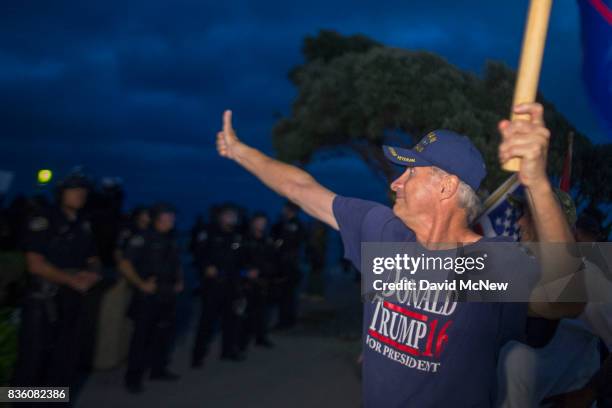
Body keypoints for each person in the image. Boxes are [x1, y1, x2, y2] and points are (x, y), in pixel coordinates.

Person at [214, 103, 581, 406]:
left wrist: (537, 184)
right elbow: (300, 187)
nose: (395, 183)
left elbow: (566, 300)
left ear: (446, 186)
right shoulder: (383, 231)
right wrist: (240, 152)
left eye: (410, 173)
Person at [12, 172, 101, 389]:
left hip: (72, 300)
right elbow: (35, 264)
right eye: (74, 190)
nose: (80, 194)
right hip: (43, 301)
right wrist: (72, 280)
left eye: (83, 190)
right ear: (61, 193)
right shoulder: (43, 219)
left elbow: (94, 258)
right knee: (32, 362)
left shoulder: (84, 224)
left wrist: (92, 274)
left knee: (63, 361)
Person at [120, 203, 183, 393]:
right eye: (165, 219)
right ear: (155, 219)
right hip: (148, 294)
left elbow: (176, 262)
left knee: (163, 333)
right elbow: (125, 264)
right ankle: (133, 378)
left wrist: (180, 280)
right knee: (141, 337)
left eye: (171, 219)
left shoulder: (172, 238)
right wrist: (140, 284)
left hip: (168, 292)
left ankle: (158, 370)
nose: (169, 222)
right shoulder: (142, 237)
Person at [192, 205, 246, 367]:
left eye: (234, 215)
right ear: (220, 216)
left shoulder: (237, 235)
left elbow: (241, 259)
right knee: (207, 322)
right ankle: (197, 356)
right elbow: (198, 254)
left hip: (232, 283)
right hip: (213, 285)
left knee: (231, 320)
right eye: (229, 215)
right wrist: (206, 267)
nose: (233, 218)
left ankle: (228, 351)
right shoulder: (208, 232)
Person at [240, 212, 276, 350]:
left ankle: (260, 338)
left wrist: (265, 272)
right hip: (246, 283)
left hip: (263, 282)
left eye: (264, 222)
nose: (262, 225)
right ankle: (242, 341)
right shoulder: (244, 240)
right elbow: (236, 263)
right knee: (245, 313)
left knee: (262, 312)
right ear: (252, 223)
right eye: (259, 222)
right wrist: (245, 273)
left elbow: (273, 261)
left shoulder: (268, 241)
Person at [271, 201, 305, 329]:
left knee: (286, 293)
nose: (284, 211)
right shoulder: (292, 224)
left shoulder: (291, 225)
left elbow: (286, 243)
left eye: (286, 209)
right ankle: (289, 320)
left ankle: (285, 321)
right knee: (288, 294)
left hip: (288, 264)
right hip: (290, 263)